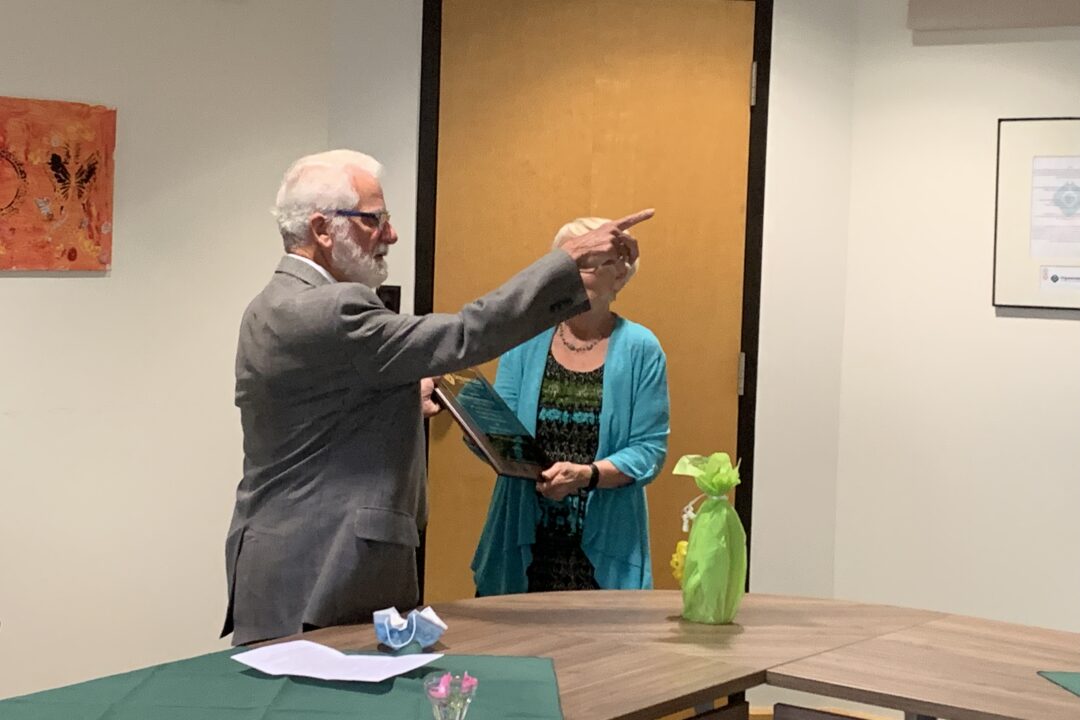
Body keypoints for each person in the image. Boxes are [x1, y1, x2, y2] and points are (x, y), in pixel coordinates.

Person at [222, 150, 651, 645]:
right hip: (326, 568)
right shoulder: (335, 307)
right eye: (374, 220)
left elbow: (323, 411)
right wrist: (566, 263)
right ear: (322, 229)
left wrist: (403, 393)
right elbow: (465, 335)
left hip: (278, 562)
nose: (391, 234)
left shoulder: (268, 304)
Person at [471, 217, 670, 596]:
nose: (571, 275)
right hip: (524, 537)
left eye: (589, 261)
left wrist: (586, 475)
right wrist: (474, 422)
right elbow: (502, 433)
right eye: (567, 262)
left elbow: (649, 452)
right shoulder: (524, 339)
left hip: (604, 547)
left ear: (620, 275)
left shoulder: (642, 348)